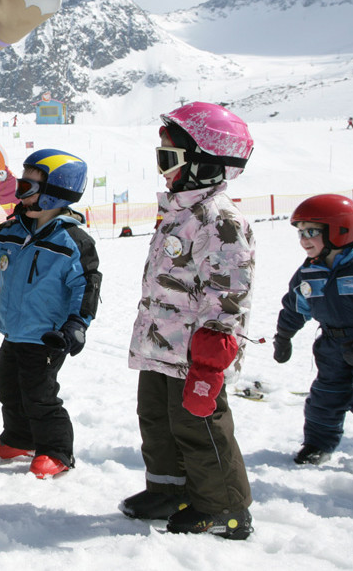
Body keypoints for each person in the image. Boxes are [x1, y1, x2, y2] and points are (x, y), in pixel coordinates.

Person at [119, 101, 256, 539]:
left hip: (195, 353)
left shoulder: (220, 220)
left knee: (199, 427)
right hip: (162, 344)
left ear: (204, 164)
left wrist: (211, 359)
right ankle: (169, 490)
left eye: (168, 158)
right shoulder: (181, 211)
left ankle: (225, 508)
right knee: (157, 419)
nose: (162, 169)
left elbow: (228, 293)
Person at [0, 148, 101, 479]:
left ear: (53, 195)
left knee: (39, 394)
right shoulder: (13, 230)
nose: (20, 195)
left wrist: (77, 325)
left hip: (48, 336)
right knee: (7, 385)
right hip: (13, 330)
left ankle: (57, 450)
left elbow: (87, 286)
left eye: (27, 189)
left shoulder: (72, 241)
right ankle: (20, 438)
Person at [271, 195, 353, 474]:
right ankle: (318, 445)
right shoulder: (309, 274)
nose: (303, 239)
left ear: (340, 231)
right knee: (325, 398)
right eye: (300, 233)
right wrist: (284, 336)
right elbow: (295, 306)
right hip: (331, 345)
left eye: (311, 232)